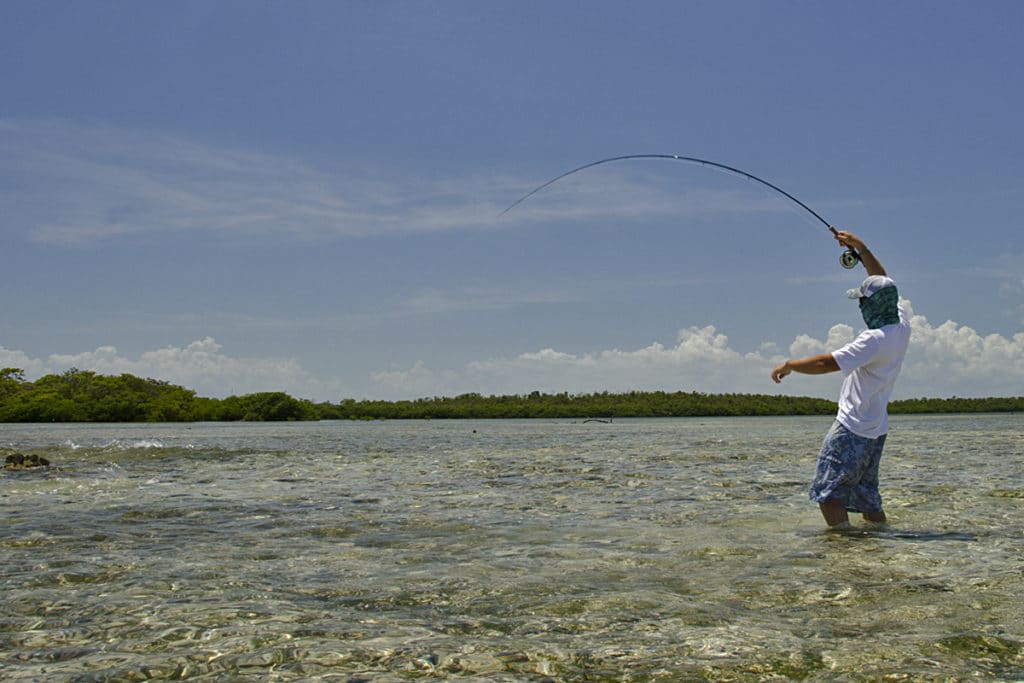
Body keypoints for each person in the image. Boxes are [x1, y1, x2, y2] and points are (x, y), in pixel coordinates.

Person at [771, 230, 911, 529]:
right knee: (867, 494)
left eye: (862, 301)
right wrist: (860, 248)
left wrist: (790, 365)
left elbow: (825, 363)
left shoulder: (874, 340)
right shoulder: (901, 325)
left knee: (828, 493)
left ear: (871, 306)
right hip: (876, 429)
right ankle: (879, 541)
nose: (861, 306)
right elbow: (882, 278)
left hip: (852, 427)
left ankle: (844, 548)